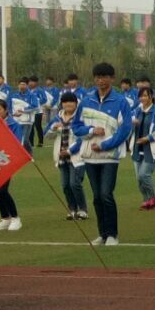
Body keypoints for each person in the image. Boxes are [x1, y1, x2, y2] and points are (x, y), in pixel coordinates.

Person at [71, 62, 135, 247]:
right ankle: (103, 234)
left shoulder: (120, 101)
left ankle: (113, 234)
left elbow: (125, 129)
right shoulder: (86, 101)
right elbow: (76, 127)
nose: (101, 80)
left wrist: (105, 145)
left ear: (112, 78)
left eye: (104, 77)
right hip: (90, 156)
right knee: (97, 197)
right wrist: (91, 130)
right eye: (98, 77)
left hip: (109, 157)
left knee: (106, 194)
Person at [0, 86, 28, 232]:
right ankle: (5, 218)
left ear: (6, 110)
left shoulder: (13, 125)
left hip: (6, 161)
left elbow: (18, 143)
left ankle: (15, 218)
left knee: (2, 190)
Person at [48, 92, 88, 221]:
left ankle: (82, 210)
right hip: (61, 157)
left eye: (71, 101)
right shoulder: (57, 117)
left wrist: (70, 151)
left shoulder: (81, 118)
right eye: (65, 102)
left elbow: (83, 137)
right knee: (65, 185)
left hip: (77, 156)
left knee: (74, 184)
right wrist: (53, 128)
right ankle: (72, 209)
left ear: (76, 103)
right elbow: (47, 135)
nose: (68, 104)